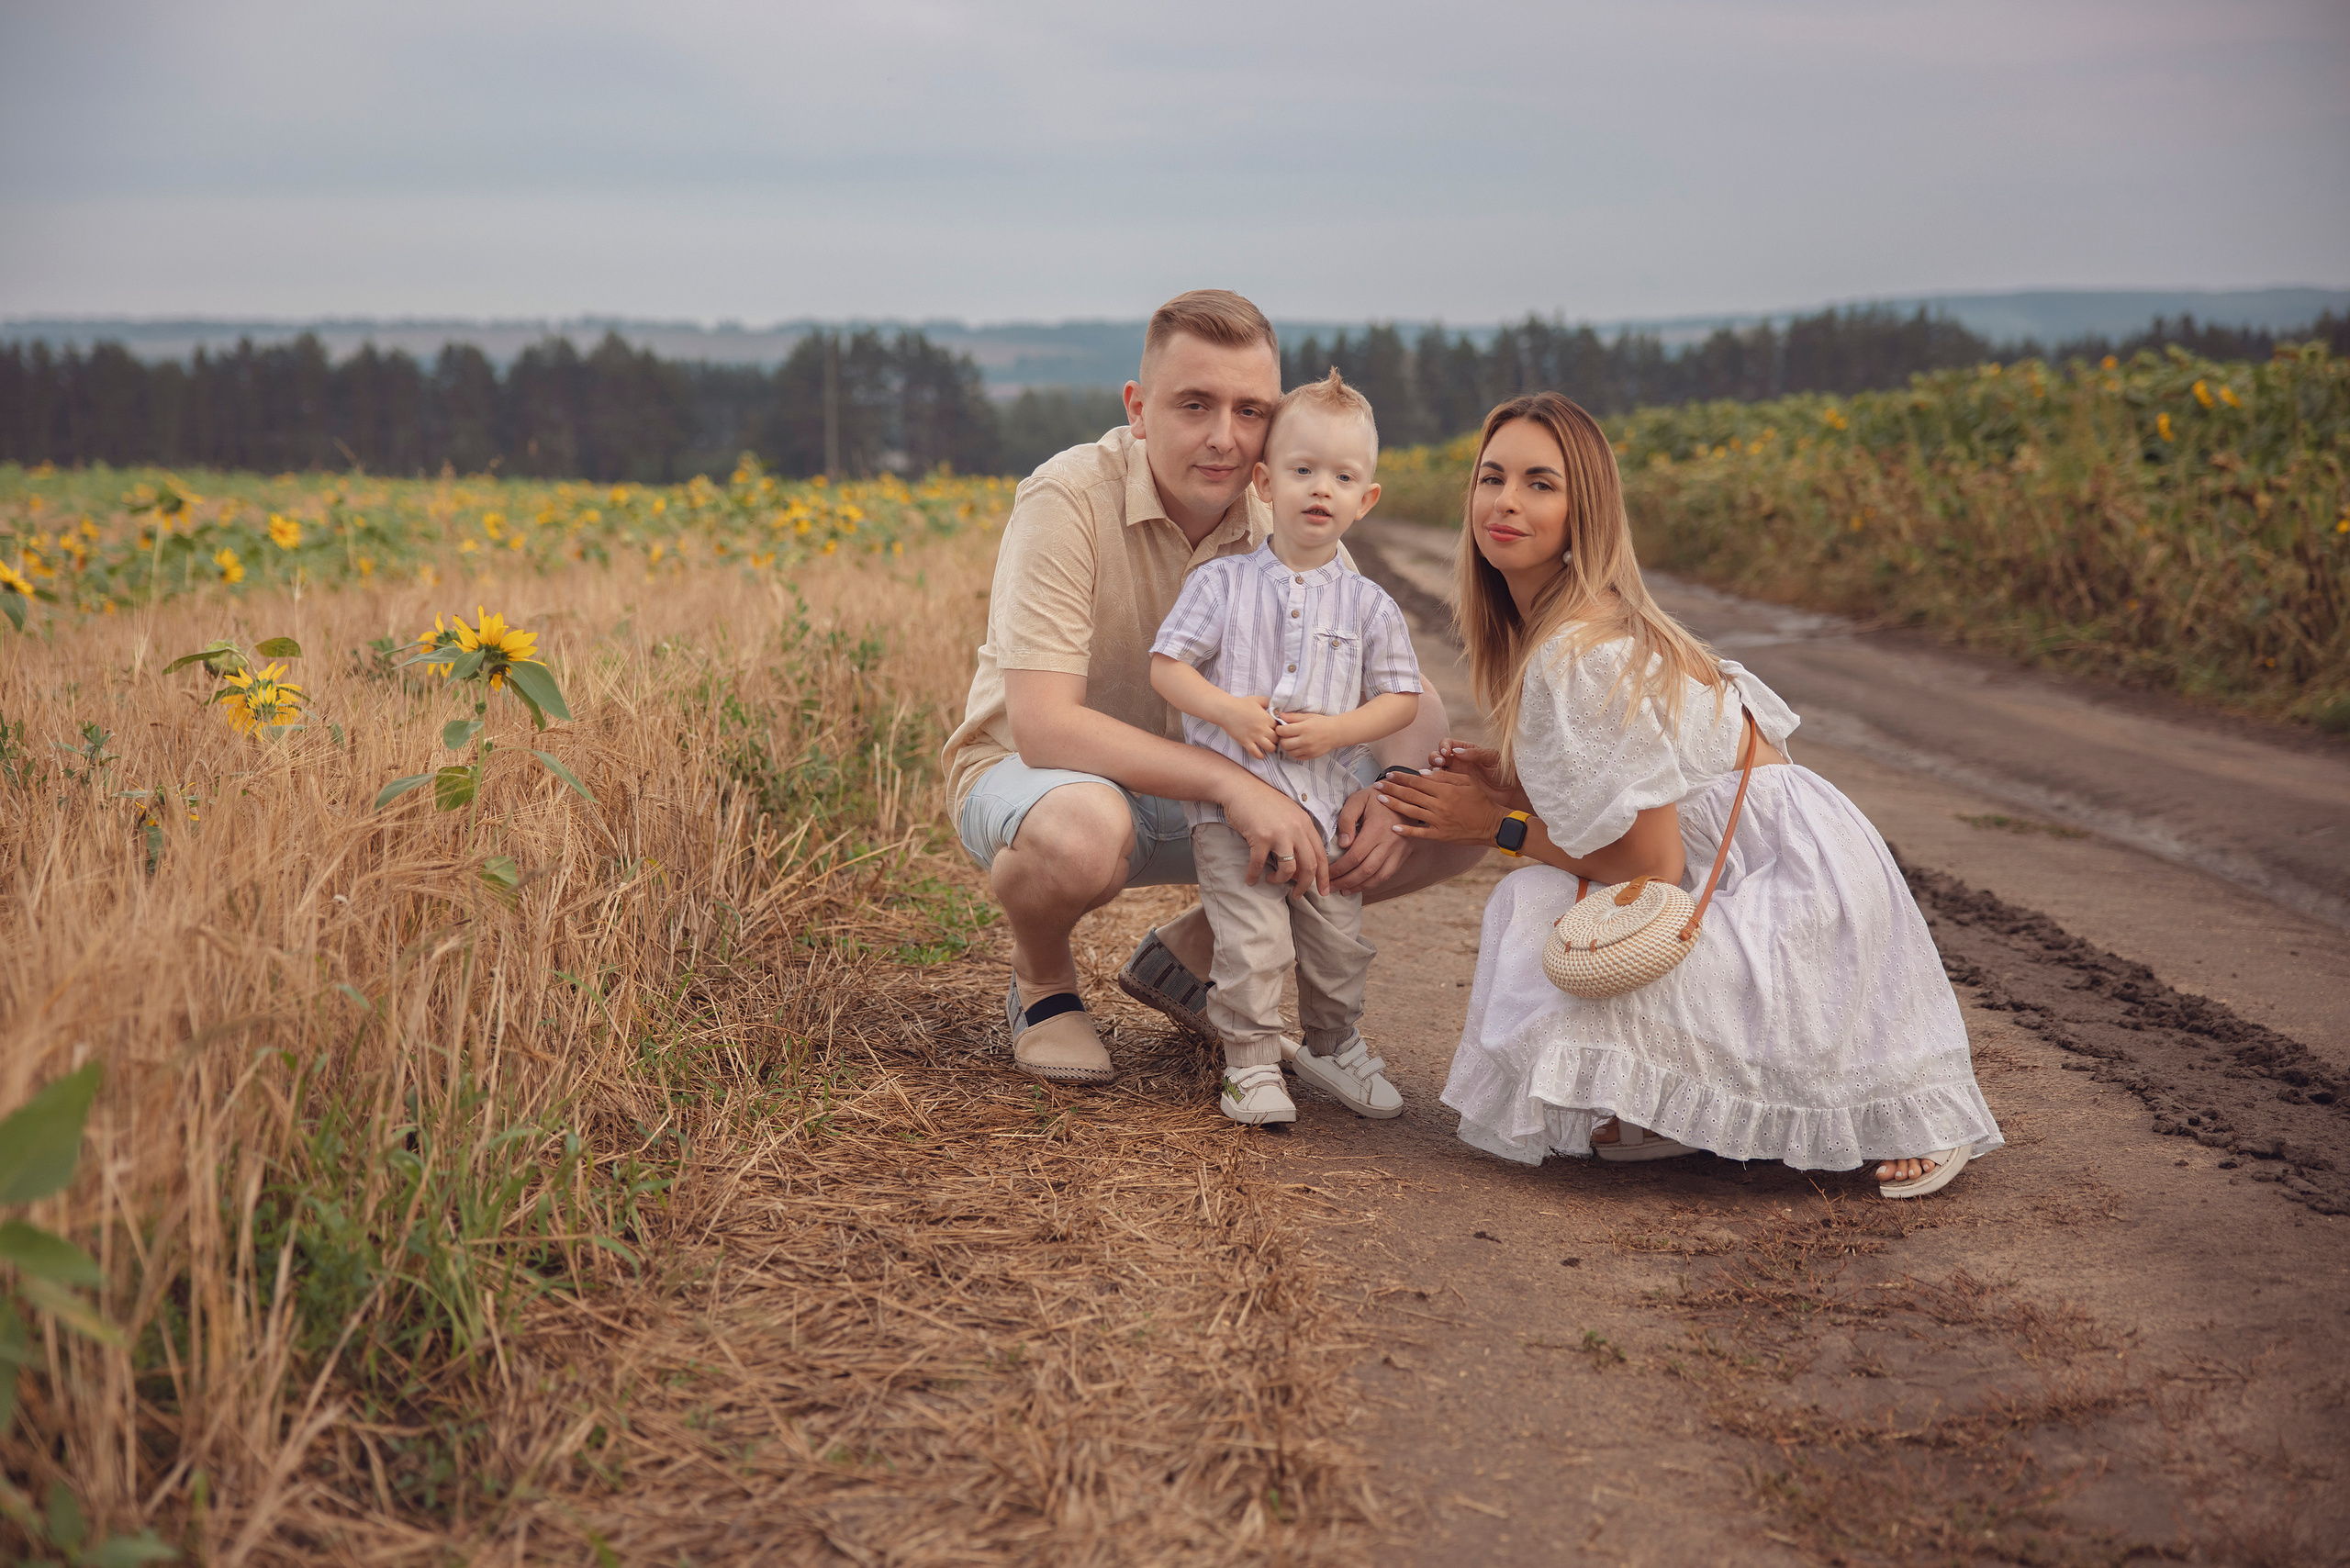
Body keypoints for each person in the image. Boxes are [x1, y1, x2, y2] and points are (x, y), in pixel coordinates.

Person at [1375, 392, 2002, 1198]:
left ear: (1583, 511)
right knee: (1541, 902)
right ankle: (1662, 1114)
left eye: (1540, 484)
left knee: (1533, 904)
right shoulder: (1565, 628)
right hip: (1773, 865)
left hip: (1798, 899)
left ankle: (1899, 1102)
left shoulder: (1583, 648)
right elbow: (1637, 776)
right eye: (1492, 478)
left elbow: (1655, 863)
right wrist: (1516, 773)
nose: (1505, 502)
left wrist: (1497, 825)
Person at [942, 290, 1483, 1086]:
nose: (1223, 438)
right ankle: (1045, 986)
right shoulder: (1067, 499)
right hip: (1058, 787)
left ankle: (1193, 955)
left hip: (1224, 806)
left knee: (1455, 812)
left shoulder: (1285, 506)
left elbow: (1409, 697)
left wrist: (1400, 784)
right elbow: (1046, 728)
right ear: (1139, 408)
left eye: (1250, 410)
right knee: (1080, 832)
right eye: (1194, 405)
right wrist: (1233, 784)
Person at [1150, 371, 1420, 1125]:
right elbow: (1167, 666)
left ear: (1366, 499)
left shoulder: (1370, 604)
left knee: (1337, 946)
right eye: (1302, 470)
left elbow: (1401, 697)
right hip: (1231, 810)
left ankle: (1333, 1044)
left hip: (1328, 806)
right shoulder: (1222, 584)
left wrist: (1339, 732)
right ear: (1266, 483)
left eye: (1342, 476)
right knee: (1254, 940)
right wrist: (1227, 711)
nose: (1320, 489)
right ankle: (1251, 1063)